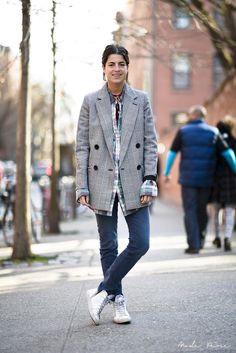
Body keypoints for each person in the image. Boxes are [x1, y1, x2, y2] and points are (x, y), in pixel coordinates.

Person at [75, 44, 157, 325]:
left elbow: (150, 141)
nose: (117, 68)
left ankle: (101, 291)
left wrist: (150, 178)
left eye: (121, 63)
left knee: (141, 242)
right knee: (108, 244)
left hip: (134, 182)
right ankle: (118, 300)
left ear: (127, 67)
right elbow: (82, 147)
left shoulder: (141, 99)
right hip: (101, 179)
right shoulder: (90, 101)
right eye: (111, 64)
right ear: (103, 68)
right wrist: (81, 186)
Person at [163, 105, 236, 254]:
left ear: (192, 116)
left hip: (188, 179)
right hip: (207, 180)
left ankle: (193, 244)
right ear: (203, 117)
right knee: (202, 210)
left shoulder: (183, 132)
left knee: (190, 210)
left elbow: (172, 152)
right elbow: (228, 153)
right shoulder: (213, 132)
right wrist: (235, 169)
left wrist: (167, 172)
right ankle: (201, 241)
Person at [212, 115, 236, 251]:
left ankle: (217, 237)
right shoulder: (234, 142)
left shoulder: (215, 143)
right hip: (232, 181)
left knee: (215, 212)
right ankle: (227, 237)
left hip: (216, 180)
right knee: (229, 211)